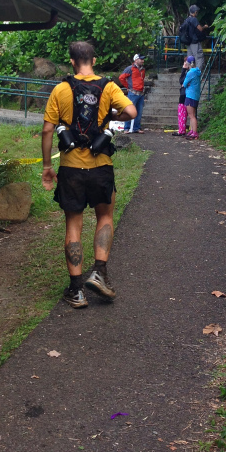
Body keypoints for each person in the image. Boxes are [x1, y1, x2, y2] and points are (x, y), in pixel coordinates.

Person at [41, 41, 137, 309]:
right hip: (101, 166)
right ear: (93, 60)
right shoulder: (108, 87)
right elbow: (131, 112)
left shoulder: (60, 89)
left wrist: (48, 166)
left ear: (72, 61)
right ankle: (100, 273)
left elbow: (48, 130)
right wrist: (112, 111)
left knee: (74, 223)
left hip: (70, 167)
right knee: (104, 215)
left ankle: (76, 290)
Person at [119, 54, 146, 133]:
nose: (142, 61)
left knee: (139, 111)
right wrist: (128, 86)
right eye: (141, 59)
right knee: (130, 111)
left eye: (142, 59)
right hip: (133, 92)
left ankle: (136, 128)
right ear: (136, 60)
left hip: (140, 92)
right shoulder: (130, 68)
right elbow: (121, 77)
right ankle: (127, 128)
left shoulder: (142, 69)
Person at [181, 5, 210, 70]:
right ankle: (197, 73)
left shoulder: (187, 19)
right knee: (199, 57)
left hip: (188, 42)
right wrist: (205, 27)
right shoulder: (194, 19)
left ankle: (190, 73)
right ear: (195, 12)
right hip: (194, 42)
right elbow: (200, 29)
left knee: (190, 58)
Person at [182, 55, 201, 139]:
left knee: (191, 115)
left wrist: (185, 84)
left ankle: (194, 132)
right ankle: (192, 130)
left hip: (190, 95)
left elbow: (184, 84)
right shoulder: (197, 71)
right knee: (192, 115)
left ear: (188, 63)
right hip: (196, 95)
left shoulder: (190, 72)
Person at [171, 57, 191, 136]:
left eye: (184, 63)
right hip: (184, 93)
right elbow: (181, 81)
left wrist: (183, 69)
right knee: (182, 112)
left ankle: (182, 130)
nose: (183, 65)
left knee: (183, 112)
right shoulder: (187, 72)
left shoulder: (188, 72)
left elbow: (182, 81)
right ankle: (182, 129)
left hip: (185, 93)